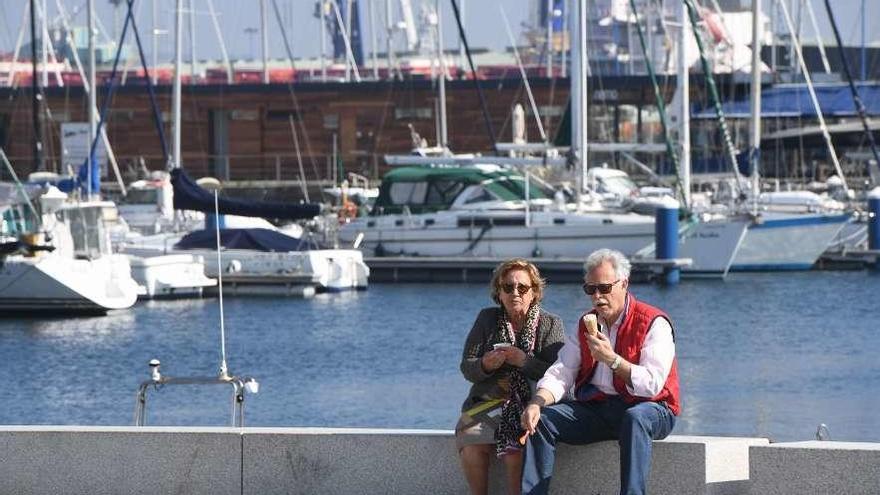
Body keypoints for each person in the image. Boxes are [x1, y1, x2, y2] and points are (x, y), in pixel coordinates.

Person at [520, 249, 680, 495]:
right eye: (590, 289)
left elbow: (652, 384)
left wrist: (612, 360)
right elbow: (563, 371)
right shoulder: (585, 323)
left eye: (604, 288)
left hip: (653, 409)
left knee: (635, 418)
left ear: (624, 284)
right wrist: (536, 402)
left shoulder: (653, 322)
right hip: (600, 408)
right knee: (541, 420)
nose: (597, 296)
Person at [457, 259, 565, 495]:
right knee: (472, 444)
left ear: (534, 292)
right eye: (508, 287)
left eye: (522, 288)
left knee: (517, 451)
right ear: (499, 292)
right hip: (487, 403)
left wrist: (523, 361)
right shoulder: (487, 319)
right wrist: (485, 364)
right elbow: (467, 367)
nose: (515, 293)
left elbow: (559, 374)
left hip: (530, 404)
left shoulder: (550, 324)